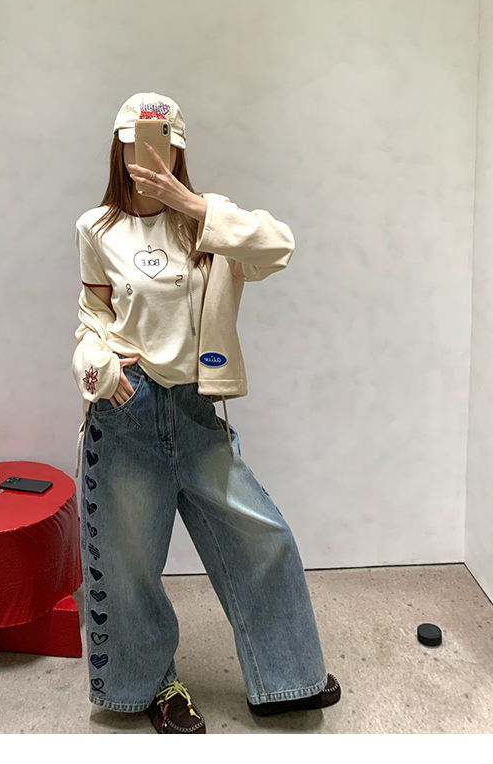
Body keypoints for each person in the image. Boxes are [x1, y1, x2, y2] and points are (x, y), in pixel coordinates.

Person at [72, 91, 340, 734]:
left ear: (179, 148)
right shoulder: (96, 228)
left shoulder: (209, 223)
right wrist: (99, 366)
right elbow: (93, 315)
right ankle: (150, 686)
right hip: (128, 413)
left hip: (195, 410)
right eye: (135, 142)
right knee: (129, 564)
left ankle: (284, 678)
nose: (149, 155)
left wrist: (193, 206)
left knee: (261, 536)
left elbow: (279, 248)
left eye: (163, 143)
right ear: (118, 148)